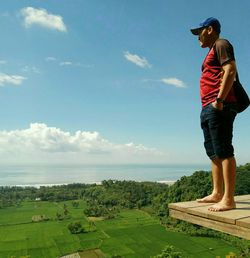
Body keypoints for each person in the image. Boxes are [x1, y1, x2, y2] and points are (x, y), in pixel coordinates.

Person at [190, 17, 238, 212]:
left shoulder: (221, 43)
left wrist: (219, 100)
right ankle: (217, 192)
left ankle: (228, 199)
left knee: (224, 150)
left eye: (199, 32)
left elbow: (230, 69)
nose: (197, 37)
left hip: (219, 105)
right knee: (213, 152)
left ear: (209, 30)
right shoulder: (211, 50)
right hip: (208, 106)